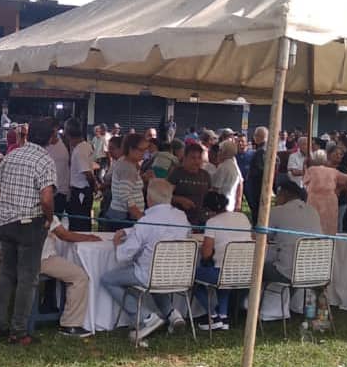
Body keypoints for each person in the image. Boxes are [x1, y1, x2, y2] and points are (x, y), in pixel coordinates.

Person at [0, 118, 57, 346]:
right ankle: (19, 330)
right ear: (50, 137)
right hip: (30, 223)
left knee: (7, 274)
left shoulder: (11, 155)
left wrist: (9, 206)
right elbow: (47, 198)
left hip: (6, 222)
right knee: (28, 278)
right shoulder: (45, 160)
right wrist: (49, 218)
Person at [102, 178, 191, 341]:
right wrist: (131, 231)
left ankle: (146, 317)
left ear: (148, 199)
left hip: (149, 275)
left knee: (107, 279)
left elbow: (125, 254)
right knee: (158, 278)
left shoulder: (146, 221)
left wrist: (116, 244)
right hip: (177, 275)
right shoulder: (181, 217)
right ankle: (173, 315)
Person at [194, 192, 251, 331]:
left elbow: (206, 254)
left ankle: (213, 315)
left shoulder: (212, 222)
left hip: (223, 273)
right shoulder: (242, 217)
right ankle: (223, 316)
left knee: (191, 276)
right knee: (223, 275)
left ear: (208, 210)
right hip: (245, 272)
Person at [39, 215, 98, 338]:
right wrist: (89, 237)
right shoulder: (47, 215)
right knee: (80, 277)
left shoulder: (18, 209)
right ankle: (70, 324)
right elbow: (66, 236)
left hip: (21, 258)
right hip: (43, 259)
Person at [266, 181, 323, 285]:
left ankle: (252, 301)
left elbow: (261, 237)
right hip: (314, 272)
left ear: (284, 194)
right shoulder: (313, 211)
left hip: (287, 272)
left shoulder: (279, 211)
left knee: (253, 269)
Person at [102, 133, 147, 231]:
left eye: (145, 150)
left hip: (122, 216)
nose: (144, 153)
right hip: (124, 219)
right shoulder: (127, 167)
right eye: (141, 150)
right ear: (131, 149)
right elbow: (125, 195)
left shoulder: (126, 162)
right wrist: (139, 216)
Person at [302, 149, 347, 235]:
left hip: (314, 199)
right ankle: (329, 241)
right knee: (329, 223)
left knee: (313, 222)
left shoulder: (311, 170)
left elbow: (305, 180)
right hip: (330, 200)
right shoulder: (333, 171)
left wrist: (304, 166)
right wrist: (340, 188)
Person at [168, 143, 212, 227]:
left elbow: (210, 198)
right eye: (193, 158)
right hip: (178, 220)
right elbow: (165, 196)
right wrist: (179, 200)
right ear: (185, 158)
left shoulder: (205, 175)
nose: (196, 161)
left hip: (201, 220)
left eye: (199, 158)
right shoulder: (176, 173)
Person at [65, 119, 97, 232]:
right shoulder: (85, 146)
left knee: (78, 225)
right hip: (82, 190)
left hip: (81, 192)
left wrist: (93, 187)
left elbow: (87, 173)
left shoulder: (79, 151)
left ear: (68, 134)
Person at [244, 127, 269, 225]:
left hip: (257, 185)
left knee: (256, 210)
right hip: (261, 185)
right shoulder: (267, 149)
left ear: (258, 137)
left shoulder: (260, 151)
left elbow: (260, 169)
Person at [210, 139, 243, 212]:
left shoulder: (223, 167)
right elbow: (240, 182)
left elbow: (216, 188)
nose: (218, 153)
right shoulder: (234, 165)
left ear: (224, 152)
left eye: (220, 150)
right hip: (231, 203)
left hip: (221, 205)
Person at [46, 120, 70, 216]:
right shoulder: (43, 144)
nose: (53, 132)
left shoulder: (65, 141)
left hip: (62, 190)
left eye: (55, 130)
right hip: (48, 190)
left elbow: (70, 164)